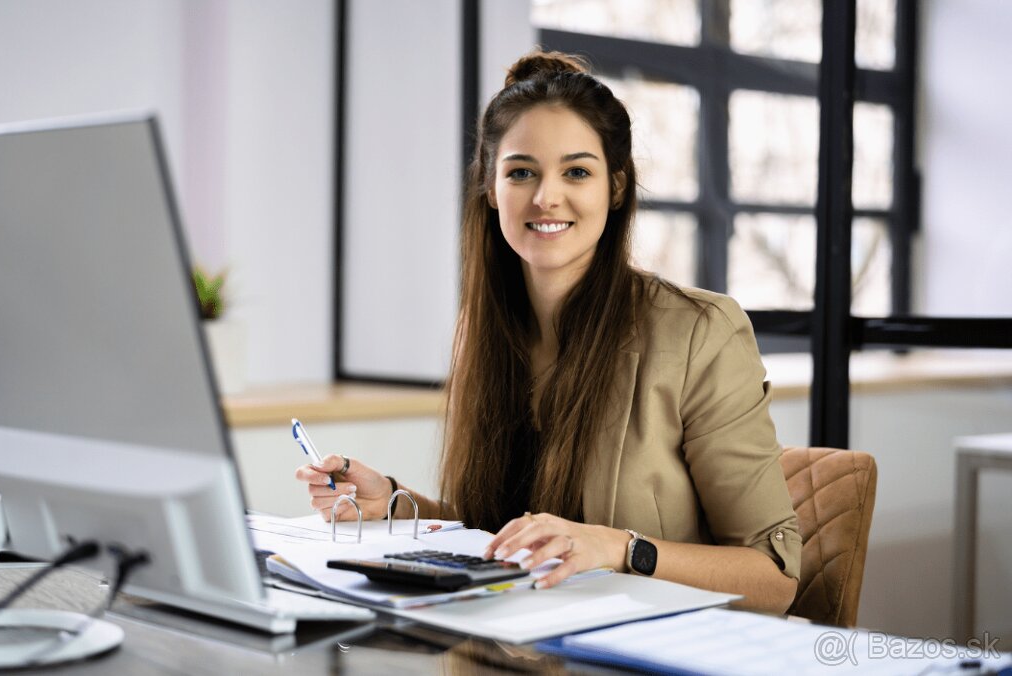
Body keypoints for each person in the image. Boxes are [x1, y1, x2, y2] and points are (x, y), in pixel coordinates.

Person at [295, 51, 800, 613]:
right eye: (521, 172)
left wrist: (618, 547)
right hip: (512, 642)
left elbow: (774, 580)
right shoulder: (481, 331)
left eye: (576, 171)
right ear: (491, 188)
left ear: (615, 187)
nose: (545, 197)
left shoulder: (700, 332)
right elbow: (495, 534)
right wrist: (393, 502)